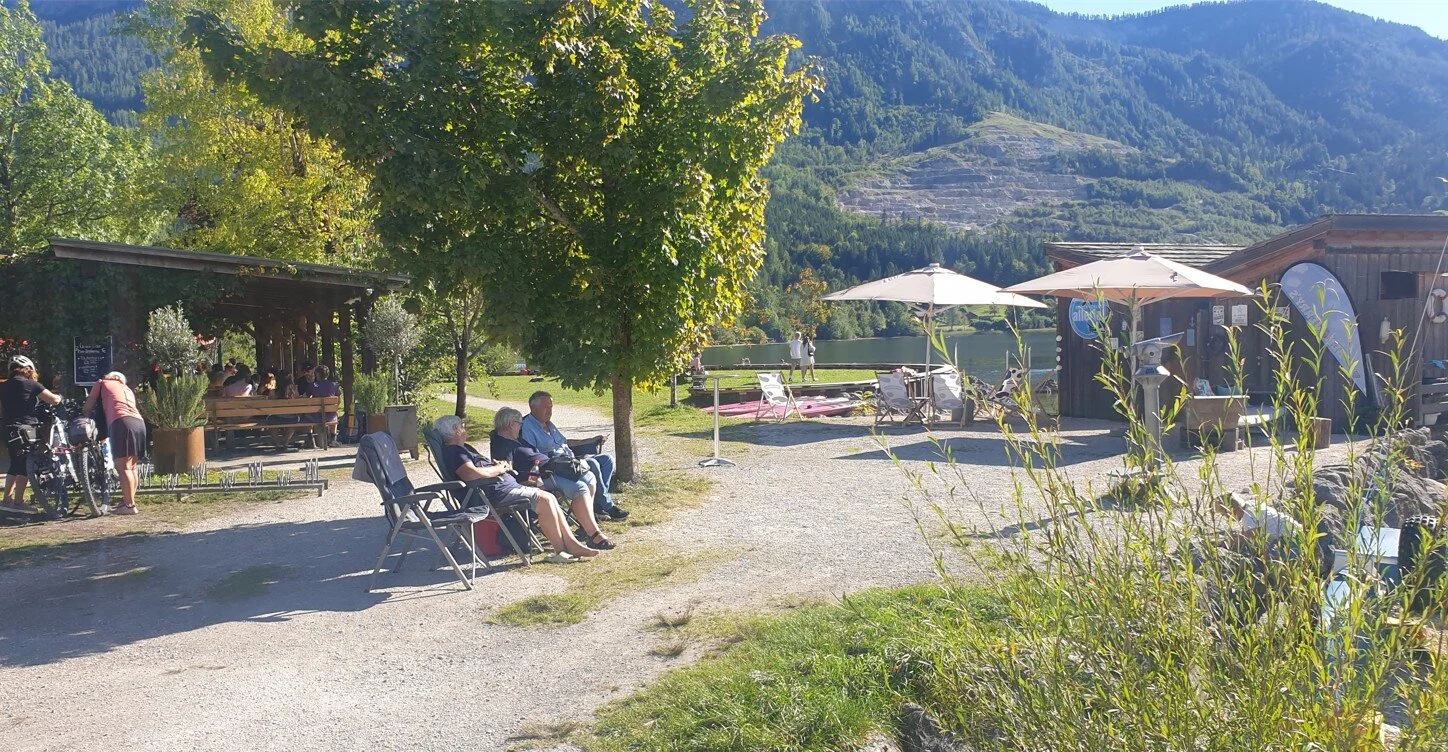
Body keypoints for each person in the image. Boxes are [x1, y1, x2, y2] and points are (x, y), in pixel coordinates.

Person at [435, 414, 601, 562]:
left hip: (499, 488)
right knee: (544, 499)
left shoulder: (462, 449)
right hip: (491, 493)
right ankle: (563, 549)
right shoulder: (454, 451)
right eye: (462, 426)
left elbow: (477, 469)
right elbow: (471, 475)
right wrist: (499, 469)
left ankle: (569, 545)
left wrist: (497, 466)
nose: (465, 429)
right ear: (456, 429)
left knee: (547, 498)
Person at [492, 405, 616, 549]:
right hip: (541, 477)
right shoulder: (502, 445)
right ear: (511, 424)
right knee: (580, 488)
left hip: (552, 470)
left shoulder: (516, 440)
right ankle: (595, 535)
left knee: (589, 478)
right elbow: (507, 470)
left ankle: (585, 526)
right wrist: (533, 479)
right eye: (520, 424)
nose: (521, 427)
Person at [520, 391, 629, 522]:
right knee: (592, 464)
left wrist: (589, 441)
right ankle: (607, 506)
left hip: (570, 461)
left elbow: (565, 443)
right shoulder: (527, 427)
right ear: (533, 408)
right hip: (555, 467)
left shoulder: (549, 424)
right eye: (546, 407)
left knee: (606, 460)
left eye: (551, 407)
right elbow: (531, 453)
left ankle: (597, 505)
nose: (550, 410)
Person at [0, 356, 62, 515]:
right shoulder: (31, 384)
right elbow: (52, 399)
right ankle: (18, 502)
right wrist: (59, 398)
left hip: (7, 428)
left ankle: (6, 500)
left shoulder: (3, 386)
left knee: (15, 462)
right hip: (26, 428)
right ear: (28, 369)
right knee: (27, 464)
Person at [83, 372, 145, 515]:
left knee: (122, 466)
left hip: (121, 422)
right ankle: (128, 501)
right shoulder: (126, 389)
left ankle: (129, 505)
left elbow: (89, 405)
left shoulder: (101, 383)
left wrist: (84, 412)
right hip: (138, 422)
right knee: (132, 466)